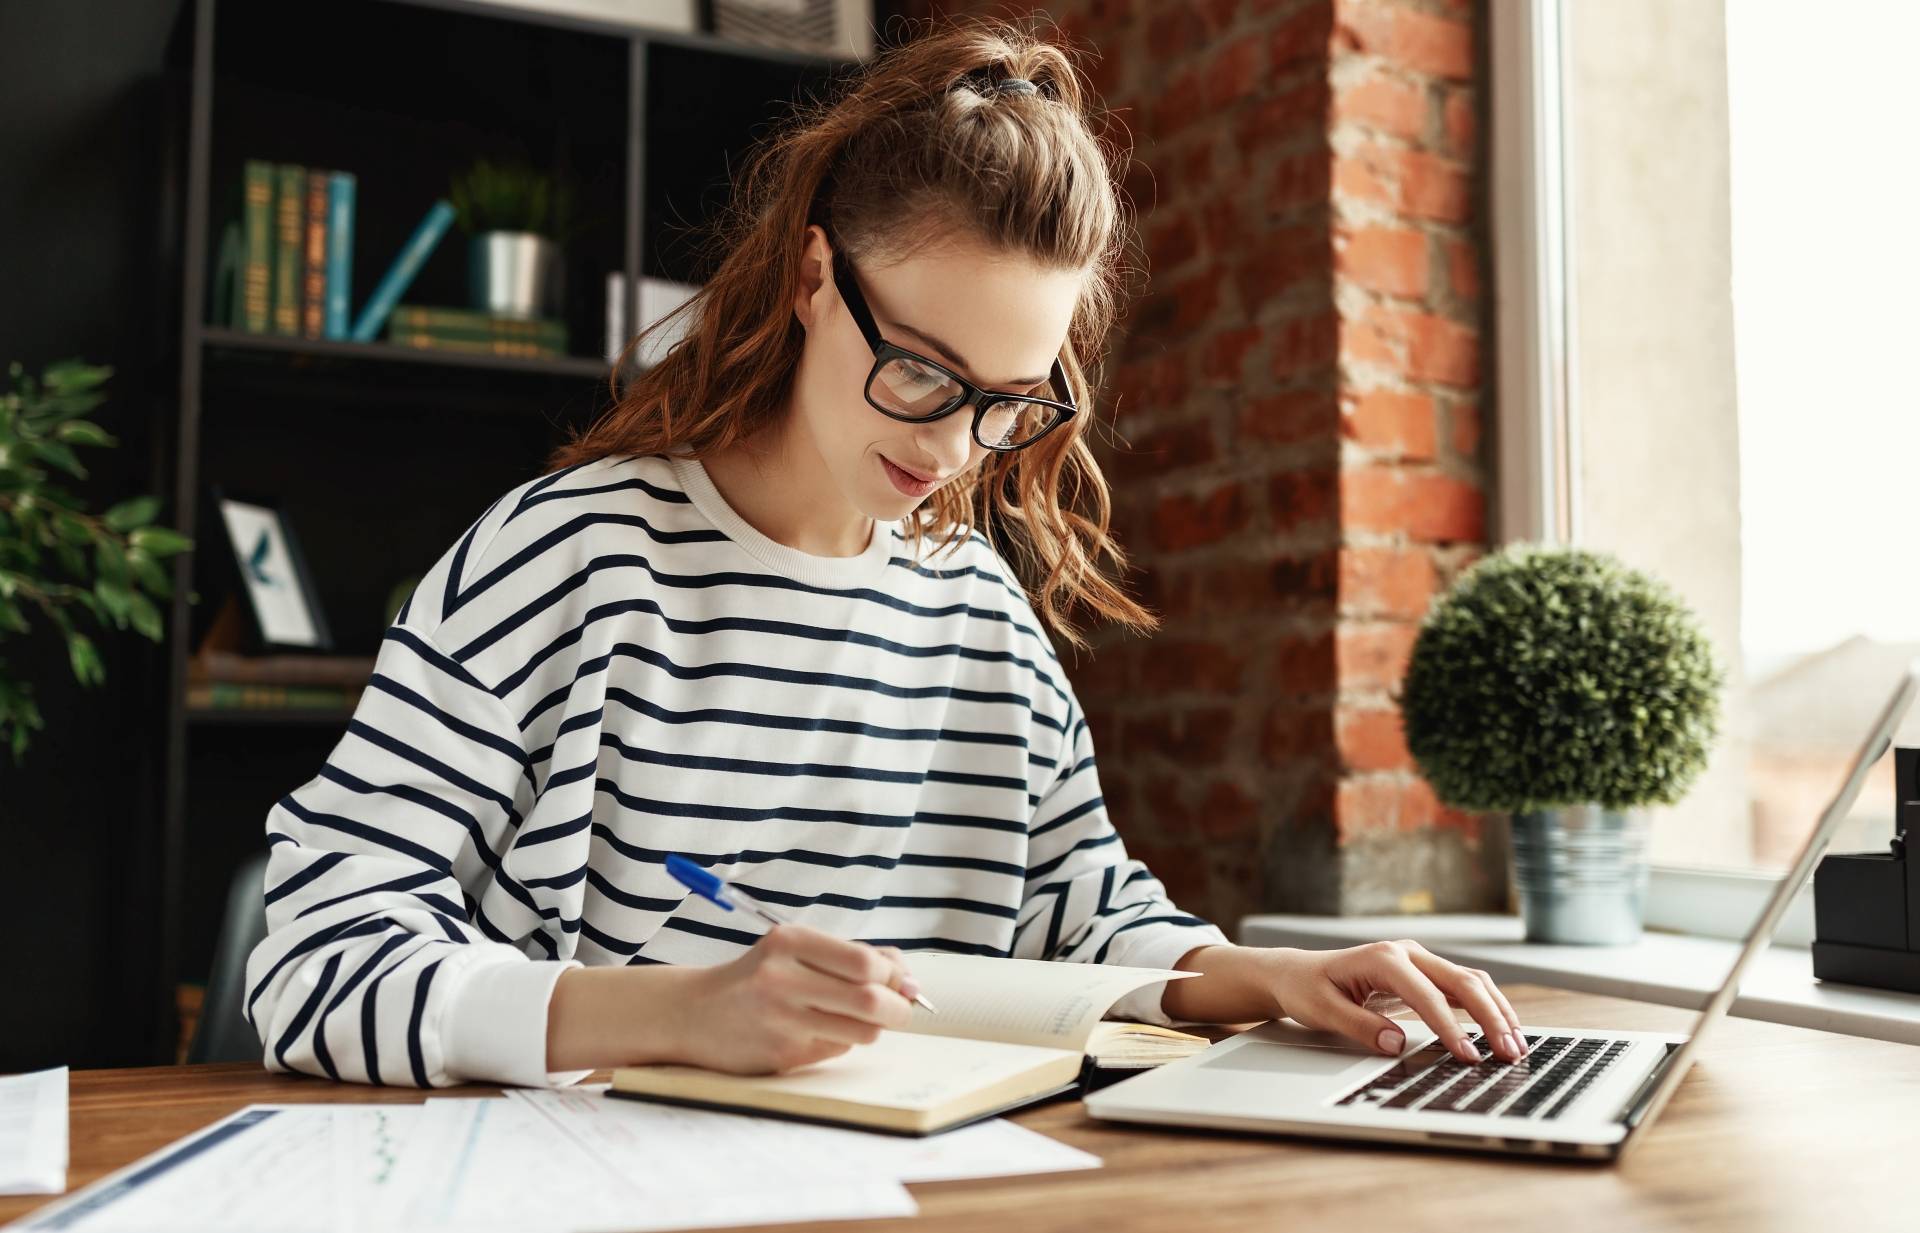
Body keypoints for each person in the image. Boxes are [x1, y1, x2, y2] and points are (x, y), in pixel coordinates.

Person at [243, 15, 1531, 1089]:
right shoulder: (568, 561)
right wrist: (679, 1014)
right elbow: (312, 959)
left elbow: (1082, 910)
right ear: (814, 278)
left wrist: (1269, 976)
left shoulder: (977, 614)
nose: (956, 446)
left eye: (1008, 401)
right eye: (919, 370)